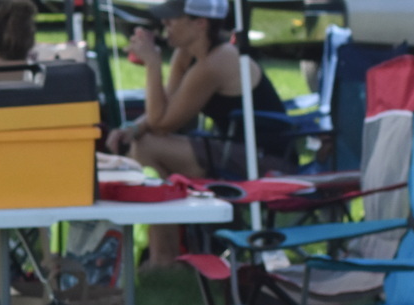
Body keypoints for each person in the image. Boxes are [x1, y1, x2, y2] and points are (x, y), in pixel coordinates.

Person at [103, 0, 291, 269]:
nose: (165, 24)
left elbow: (162, 124)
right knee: (144, 143)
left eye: (172, 18)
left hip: (264, 160)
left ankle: (165, 256)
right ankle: (171, 252)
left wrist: (153, 64)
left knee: (148, 147)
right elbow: (165, 108)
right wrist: (132, 129)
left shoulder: (217, 61)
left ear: (200, 24)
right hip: (231, 150)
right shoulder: (189, 54)